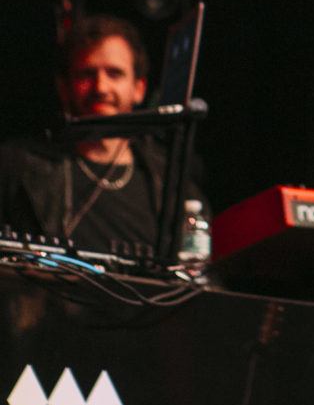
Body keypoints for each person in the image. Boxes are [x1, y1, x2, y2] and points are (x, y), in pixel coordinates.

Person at [0, 14, 206, 256]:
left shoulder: (172, 178)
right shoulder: (19, 167)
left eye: (114, 73)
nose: (101, 87)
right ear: (64, 88)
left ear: (139, 88)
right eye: (87, 74)